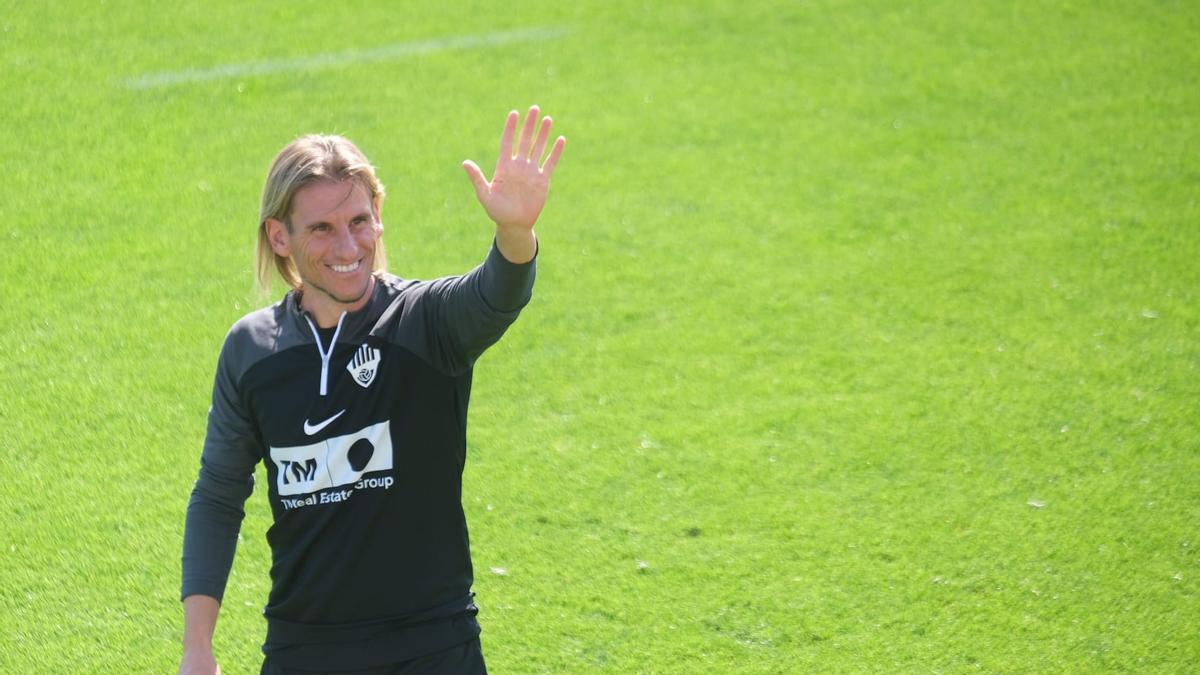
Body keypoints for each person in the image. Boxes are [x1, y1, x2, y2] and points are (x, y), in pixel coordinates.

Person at [179, 106, 565, 675]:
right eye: (322, 228)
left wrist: (515, 231)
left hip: (433, 648)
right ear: (279, 237)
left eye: (359, 220)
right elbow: (217, 495)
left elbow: (495, 296)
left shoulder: (424, 323)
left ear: (379, 216)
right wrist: (197, 649)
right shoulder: (252, 352)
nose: (347, 246)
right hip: (302, 653)